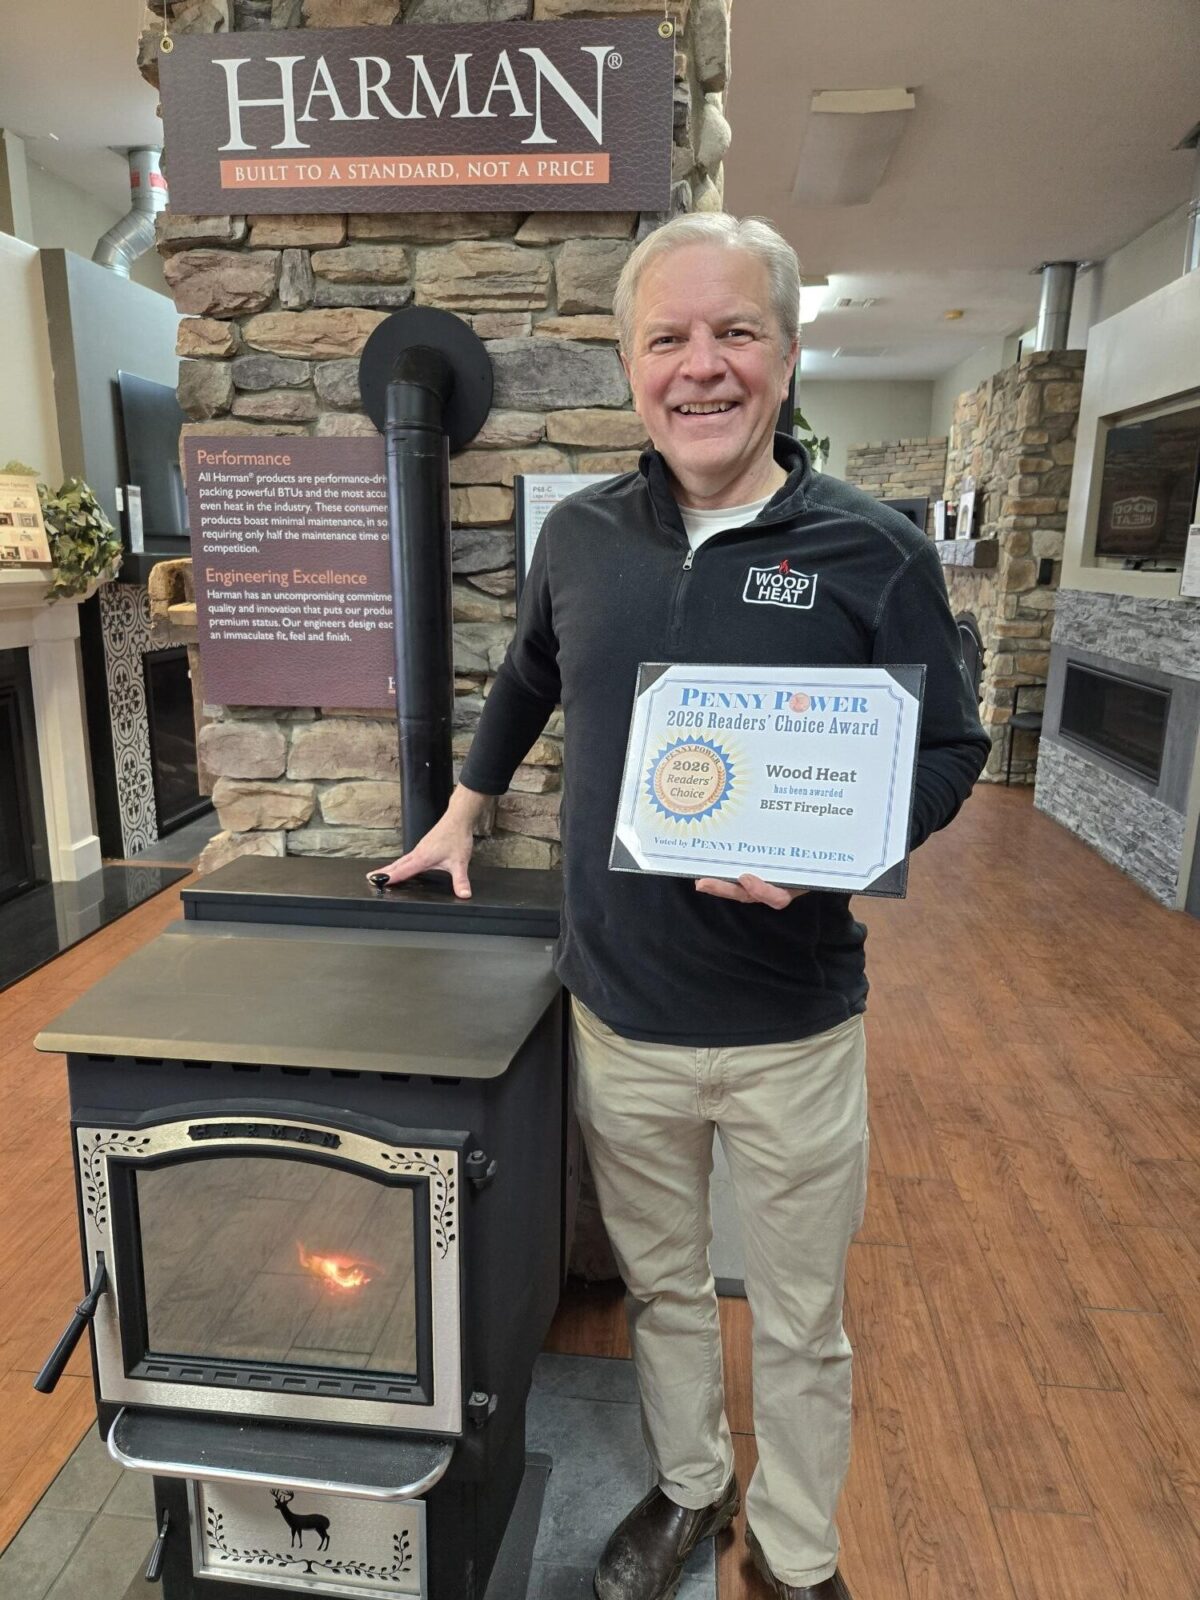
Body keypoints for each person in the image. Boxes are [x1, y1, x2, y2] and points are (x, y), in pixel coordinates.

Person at [373, 213, 990, 1600]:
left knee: (803, 1322)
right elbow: (529, 676)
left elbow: (953, 749)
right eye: (668, 338)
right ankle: (693, 1488)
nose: (700, 366)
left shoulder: (874, 550)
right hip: (623, 1018)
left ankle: (799, 1552)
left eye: (735, 332)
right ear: (630, 364)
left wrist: (840, 848)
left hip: (794, 1031)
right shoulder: (583, 535)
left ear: (788, 353)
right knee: (662, 1292)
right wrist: (463, 810)